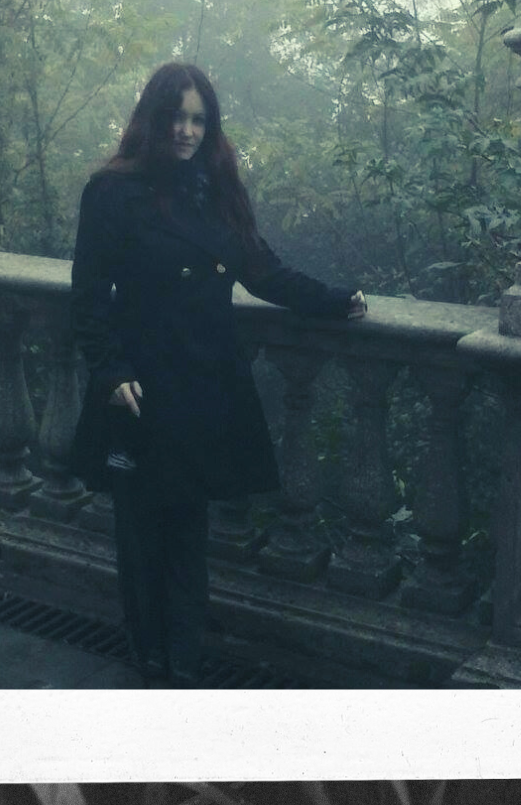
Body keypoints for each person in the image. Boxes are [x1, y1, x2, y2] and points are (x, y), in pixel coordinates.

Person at [66, 62, 367, 688]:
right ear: (153, 117)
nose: (187, 130)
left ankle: (184, 661)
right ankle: (147, 656)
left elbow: (263, 270)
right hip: (142, 385)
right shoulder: (113, 191)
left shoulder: (218, 186)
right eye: (176, 116)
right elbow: (89, 297)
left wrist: (335, 298)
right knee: (141, 528)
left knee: (187, 526)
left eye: (199, 119)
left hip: (205, 383)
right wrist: (111, 370)